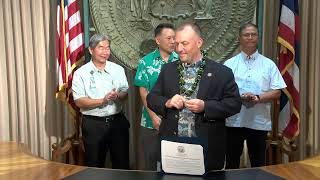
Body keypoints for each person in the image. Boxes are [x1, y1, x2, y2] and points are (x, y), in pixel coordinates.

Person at [146, 22, 241, 171]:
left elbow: (234, 104)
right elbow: (151, 98)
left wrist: (206, 106)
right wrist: (167, 102)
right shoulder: (168, 70)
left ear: (199, 42)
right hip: (172, 147)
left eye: (184, 43)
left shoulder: (222, 72)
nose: (179, 49)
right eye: (176, 44)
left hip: (207, 150)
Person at [224, 23, 287, 168]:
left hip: (259, 122)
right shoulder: (229, 64)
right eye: (246, 35)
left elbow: (278, 91)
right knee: (231, 163)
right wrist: (240, 97)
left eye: (254, 34)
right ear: (239, 38)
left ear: (258, 38)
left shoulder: (268, 64)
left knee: (258, 164)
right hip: (234, 121)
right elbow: (223, 92)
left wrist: (258, 98)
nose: (250, 37)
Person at [72, 34, 130, 169]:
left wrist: (118, 95)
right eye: (101, 48)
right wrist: (102, 101)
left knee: (122, 165)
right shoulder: (81, 73)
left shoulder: (118, 69)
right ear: (91, 50)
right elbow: (79, 101)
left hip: (117, 122)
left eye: (108, 48)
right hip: (94, 125)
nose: (105, 52)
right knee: (94, 165)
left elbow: (125, 93)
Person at [134, 23, 178, 170]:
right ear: (158, 40)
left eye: (174, 38)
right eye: (169, 38)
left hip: (177, 122)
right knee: (151, 163)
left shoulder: (181, 60)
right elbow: (143, 91)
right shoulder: (146, 62)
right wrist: (153, 117)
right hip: (150, 121)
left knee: (174, 164)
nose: (173, 41)